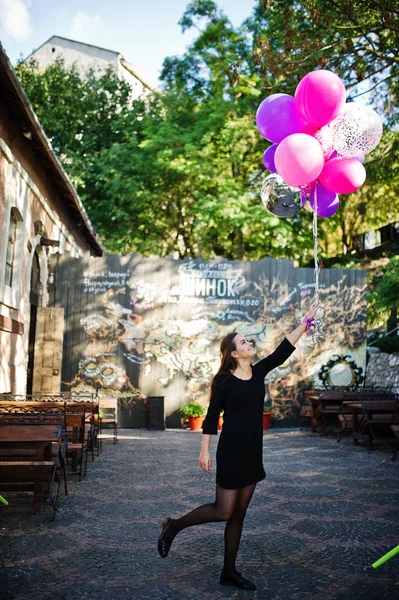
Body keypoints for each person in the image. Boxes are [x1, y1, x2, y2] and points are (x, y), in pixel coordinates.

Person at [158, 303, 321, 591]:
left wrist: (306, 321)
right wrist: (204, 450)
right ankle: (174, 525)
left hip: (252, 452)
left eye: (248, 340)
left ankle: (229, 571)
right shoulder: (224, 380)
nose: (249, 342)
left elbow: (283, 350)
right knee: (223, 510)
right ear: (234, 353)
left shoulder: (258, 373)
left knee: (239, 515)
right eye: (244, 341)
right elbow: (210, 418)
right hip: (231, 451)